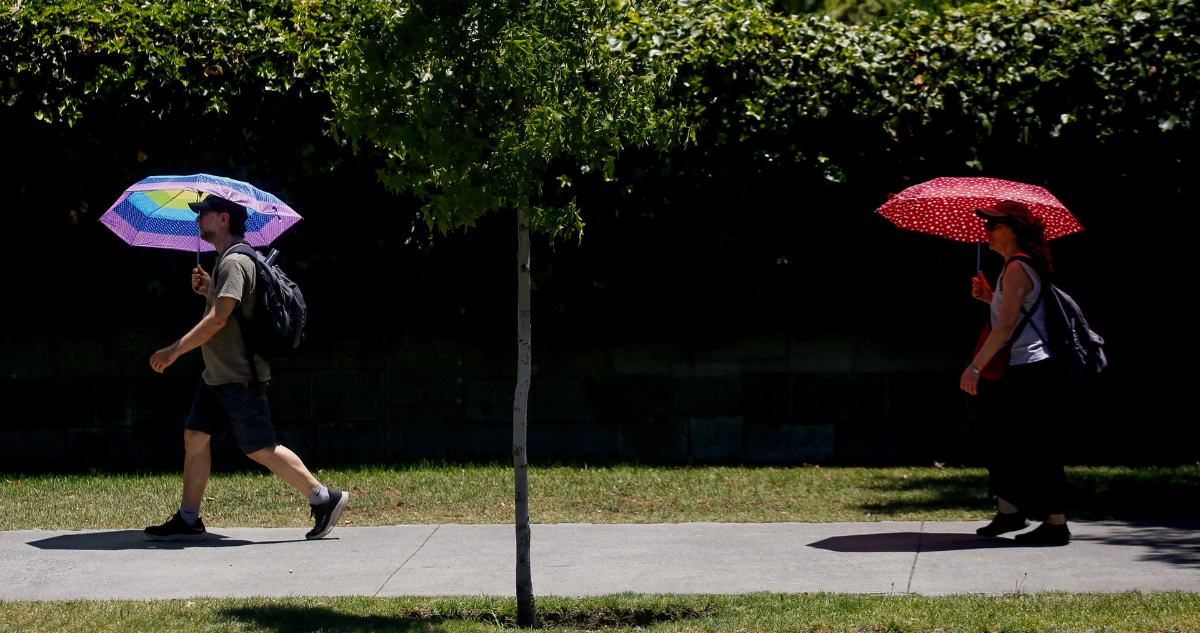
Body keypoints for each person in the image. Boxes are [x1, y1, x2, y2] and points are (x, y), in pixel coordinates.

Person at [143, 195, 347, 541]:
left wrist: (174, 350)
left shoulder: (235, 262)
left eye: (204, 215)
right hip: (216, 375)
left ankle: (324, 498)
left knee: (260, 447)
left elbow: (219, 319)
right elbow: (233, 308)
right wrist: (210, 289)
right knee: (195, 436)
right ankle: (189, 518)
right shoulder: (227, 261)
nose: (198, 220)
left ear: (224, 219)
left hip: (238, 375)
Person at [960, 200, 1069, 545]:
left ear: (1013, 229)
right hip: (1018, 369)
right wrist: (988, 298)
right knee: (1000, 439)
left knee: (1037, 445)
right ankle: (1010, 512)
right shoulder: (1011, 269)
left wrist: (975, 367)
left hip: (1032, 370)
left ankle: (1055, 524)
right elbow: (1011, 316)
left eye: (993, 226)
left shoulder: (1018, 268)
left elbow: (1006, 326)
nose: (987, 232)